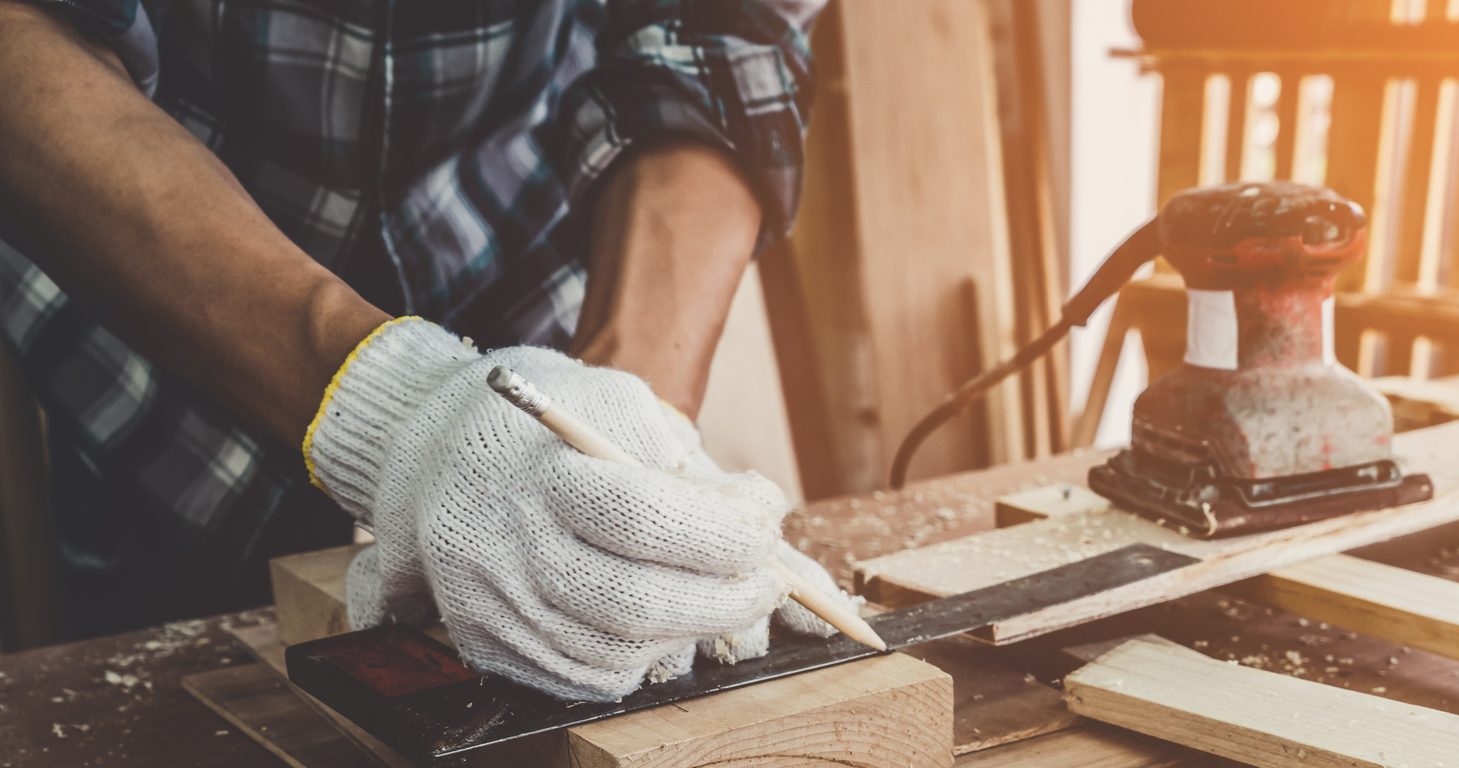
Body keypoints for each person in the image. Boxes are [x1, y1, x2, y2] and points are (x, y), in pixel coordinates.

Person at [0, 0, 849, 702]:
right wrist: (390, 401)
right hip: (158, 325)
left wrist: (633, 419)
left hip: (511, 270)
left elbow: (721, 27)